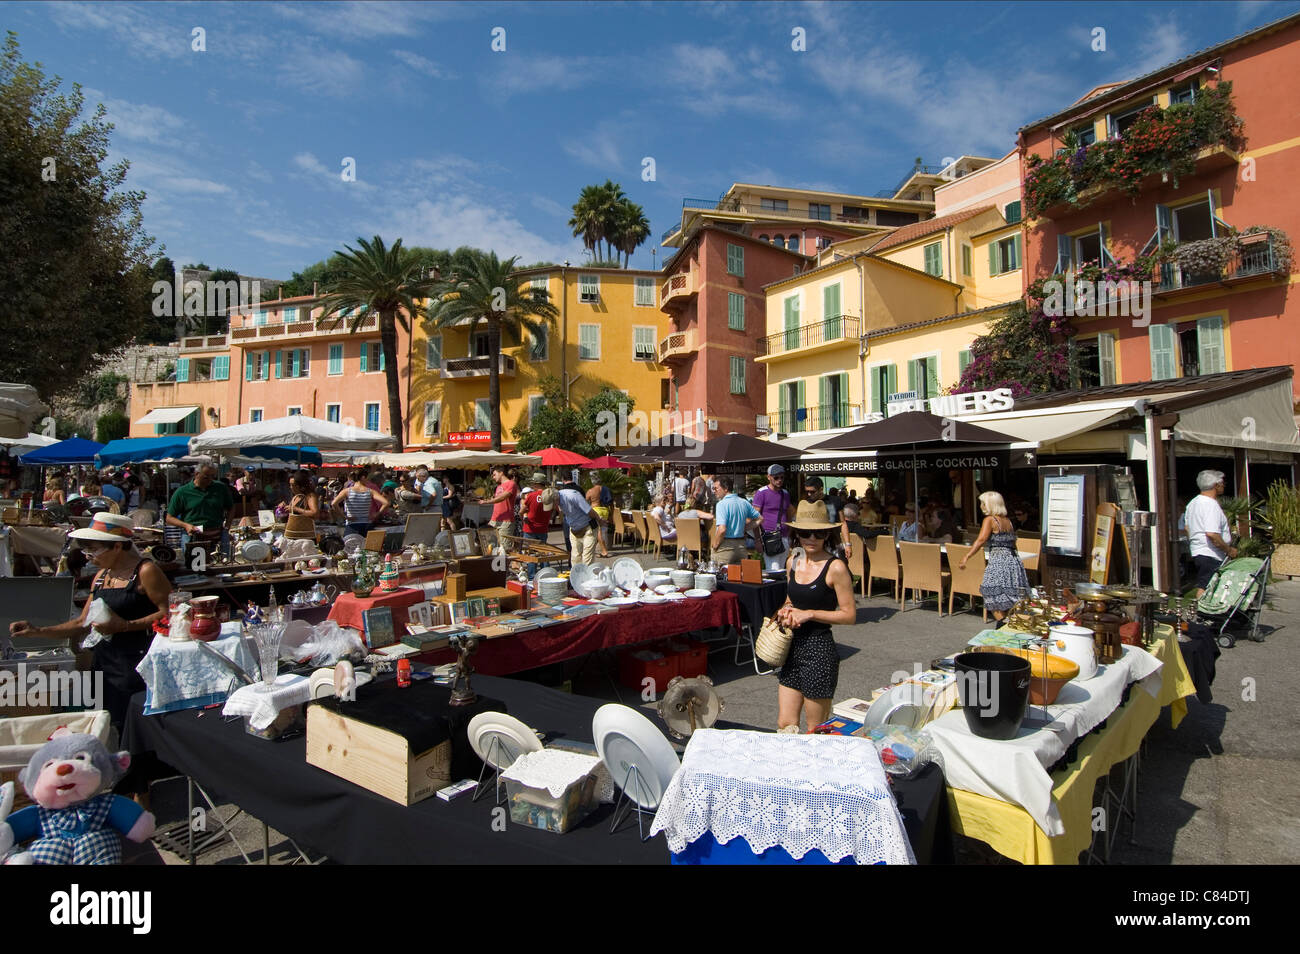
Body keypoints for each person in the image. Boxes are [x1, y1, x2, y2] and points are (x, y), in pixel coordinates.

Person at [9, 513, 171, 730]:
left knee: (135, 725)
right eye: (86, 550)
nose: (88, 556)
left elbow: (170, 611)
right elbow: (83, 622)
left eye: (94, 549)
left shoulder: (146, 571)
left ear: (117, 547)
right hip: (105, 662)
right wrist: (36, 631)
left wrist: (125, 626)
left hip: (137, 663)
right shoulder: (102, 575)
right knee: (108, 722)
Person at [774, 518, 856, 732]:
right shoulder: (793, 561)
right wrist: (785, 612)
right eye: (806, 532)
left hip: (819, 650)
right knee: (785, 724)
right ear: (797, 534)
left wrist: (810, 614)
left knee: (815, 729)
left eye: (818, 534)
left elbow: (849, 615)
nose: (812, 538)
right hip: (791, 648)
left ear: (827, 535)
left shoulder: (835, 567)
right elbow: (790, 600)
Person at [959, 491, 1030, 622]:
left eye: (983, 503)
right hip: (1013, 560)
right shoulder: (1008, 522)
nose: (981, 506)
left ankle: (1003, 626)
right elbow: (1014, 544)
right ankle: (1011, 624)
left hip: (999, 561)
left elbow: (981, 540)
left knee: (991, 595)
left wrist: (967, 556)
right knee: (1010, 597)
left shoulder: (990, 520)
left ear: (989, 505)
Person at [1185, 470, 1237, 597]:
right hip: (1211, 554)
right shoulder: (1210, 505)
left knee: (1205, 584)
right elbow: (1212, 534)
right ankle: (1202, 613)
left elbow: (1187, 528)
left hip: (1199, 551)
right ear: (1216, 485)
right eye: (1222, 483)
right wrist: (1228, 550)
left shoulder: (1193, 503)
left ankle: (1202, 613)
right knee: (1207, 588)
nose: (1224, 485)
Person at [165, 463, 234, 556]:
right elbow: (169, 518)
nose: (210, 479)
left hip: (217, 535)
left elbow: (231, 508)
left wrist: (227, 526)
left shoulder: (220, 488)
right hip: (193, 536)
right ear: (197, 474)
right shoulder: (182, 492)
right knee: (196, 567)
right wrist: (186, 525)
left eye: (212, 476)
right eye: (206, 477)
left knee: (221, 566)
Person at [753, 463, 796, 571]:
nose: (779, 480)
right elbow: (755, 518)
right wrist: (758, 540)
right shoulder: (762, 493)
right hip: (769, 537)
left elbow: (789, 514)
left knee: (782, 570)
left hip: (784, 536)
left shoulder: (785, 493)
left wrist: (790, 535)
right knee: (774, 569)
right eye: (776, 477)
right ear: (769, 477)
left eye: (782, 477)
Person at [711, 475, 761, 565]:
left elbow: (722, 530)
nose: (714, 491)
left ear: (725, 488)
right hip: (741, 545)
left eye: (716, 488)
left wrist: (715, 545)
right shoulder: (744, 502)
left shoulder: (721, 504)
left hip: (726, 546)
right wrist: (744, 528)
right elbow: (760, 519)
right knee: (739, 576)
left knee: (721, 576)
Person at [333, 467, 389, 536]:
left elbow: (334, 503)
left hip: (352, 525)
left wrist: (344, 516)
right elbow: (386, 503)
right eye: (367, 478)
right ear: (363, 477)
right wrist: (376, 514)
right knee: (368, 546)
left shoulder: (347, 491)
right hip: (367, 524)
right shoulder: (370, 491)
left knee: (350, 545)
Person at [558, 479, 597, 564]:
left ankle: (586, 576)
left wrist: (600, 519)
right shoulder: (559, 498)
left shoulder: (573, 495)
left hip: (588, 527)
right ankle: (576, 576)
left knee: (587, 558)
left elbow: (589, 511)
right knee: (575, 558)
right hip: (574, 528)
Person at [485, 466, 519, 547]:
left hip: (506, 520)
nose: (493, 477)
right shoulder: (498, 487)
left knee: (504, 548)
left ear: (501, 473)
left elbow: (503, 497)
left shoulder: (511, 483)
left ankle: (504, 560)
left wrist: (488, 501)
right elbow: (498, 500)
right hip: (495, 519)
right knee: (491, 545)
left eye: (494, 474)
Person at [520, 473, 551, 543]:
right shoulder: (550, 495)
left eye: (533, 483)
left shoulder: (531, 495)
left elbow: (521, 511)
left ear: (537, 484)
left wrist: (522, 516)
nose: (532, 485)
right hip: (543, 529)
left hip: (530, 529)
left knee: (529, 551)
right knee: (541, 551)